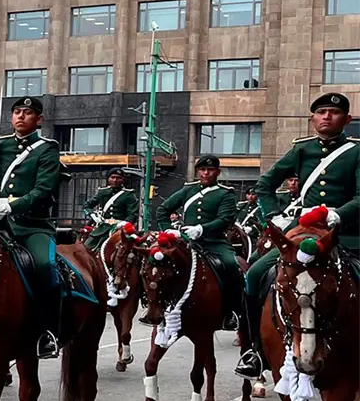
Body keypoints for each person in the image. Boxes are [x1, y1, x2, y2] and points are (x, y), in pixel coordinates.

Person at [235, 92, 359, 378]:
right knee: (254, 275)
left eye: (334, 112)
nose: (326, 116)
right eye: (321, 112)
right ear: (312, 119)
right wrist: (273, 216)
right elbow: (266, 184)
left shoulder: (356, 151)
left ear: (347, 120)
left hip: (347, 233)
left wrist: (338, 215)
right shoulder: (302, 150)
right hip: (301, 232)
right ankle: (254, 349)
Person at [0, 97, 63, 358]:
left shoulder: (47, 149)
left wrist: (12, 206)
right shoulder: (2, 144)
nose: (21, 116)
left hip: (33, 224)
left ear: (38, 119)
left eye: (28, 113)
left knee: (45, 266)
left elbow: (43, 189)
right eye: (17, 112)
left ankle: (48, 331)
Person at [153, 155, 243, 333]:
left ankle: (232, 311)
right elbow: (163, 209)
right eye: (202, 170)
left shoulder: (225, 193)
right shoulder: (188, 190)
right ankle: (157, 306)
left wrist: (202, 229)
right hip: (186, 241)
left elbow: (225, 219)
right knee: (158, 263)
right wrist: (169, 230)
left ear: (218, 172)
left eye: (210, 170)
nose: (206, 173)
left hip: (214, 242)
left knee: (232, 265)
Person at [83, 168, 140, 250]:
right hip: (103, 227)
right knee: (86, 248)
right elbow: (86, 206)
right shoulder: (102, 192)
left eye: (118, 178)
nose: (115, 180)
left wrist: (124, 223)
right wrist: (92, 214)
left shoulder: (129, 195)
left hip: (121, 228)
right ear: (108, 179)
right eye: (112, 177)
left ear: (123, 180)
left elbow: (133, 214)